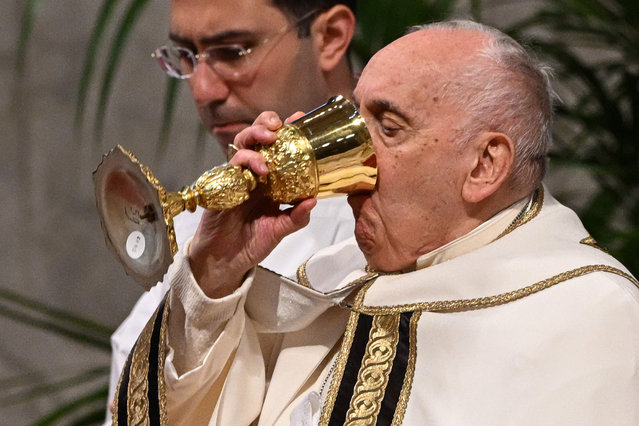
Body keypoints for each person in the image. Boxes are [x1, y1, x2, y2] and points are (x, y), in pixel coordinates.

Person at [114, 20, 639, 425]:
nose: (351, 160)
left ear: (484, 166)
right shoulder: (333, 274)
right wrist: (216, 274)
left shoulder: (591, 320)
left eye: (387, 128)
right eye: (351, 119)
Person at [106, 0, 360, 417]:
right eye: (185, 57)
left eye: (233, 51)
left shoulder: (423, 200)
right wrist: (211, 280)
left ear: (330, 37)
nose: (203, 90)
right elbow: (126, 407)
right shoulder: (199, 225)